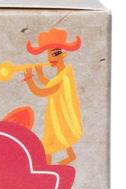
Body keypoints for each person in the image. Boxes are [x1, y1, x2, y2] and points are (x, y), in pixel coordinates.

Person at [22, 28, 83, 165]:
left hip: (58, 114)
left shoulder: (63, 76)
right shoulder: (63, 73)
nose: (50, 59)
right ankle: (70, 155)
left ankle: (48, 169)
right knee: (60, 136)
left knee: (49, 145)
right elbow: (51, 84)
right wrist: (40, 76)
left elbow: (43, 92)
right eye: (49, 55)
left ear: (62, 54)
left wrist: (29, 80)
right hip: (57, 113)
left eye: (54, 54)